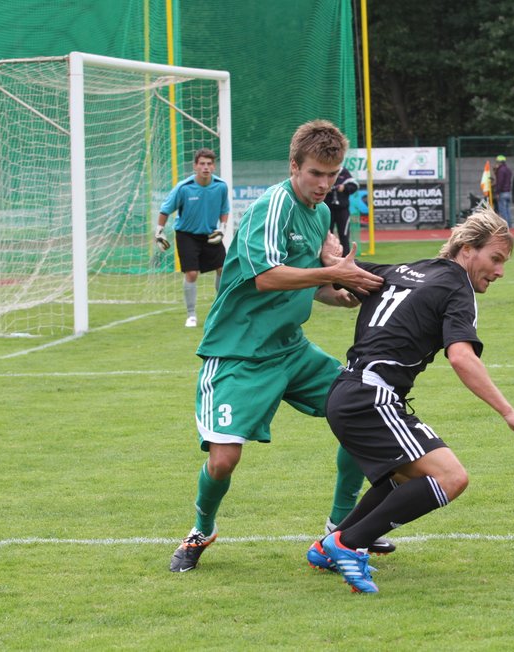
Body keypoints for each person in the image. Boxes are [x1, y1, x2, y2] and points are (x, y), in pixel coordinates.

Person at [167, 120, 389, 573]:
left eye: (332, 175)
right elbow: (266, 277)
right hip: (238, 353)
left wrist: (341, 295)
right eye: (315, 174)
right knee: (224, 460)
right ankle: (201, 528)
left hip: (292, 350)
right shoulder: (273, 206)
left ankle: (340, 526)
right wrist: (332, 274)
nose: (325, 185)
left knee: (359, 411)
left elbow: (309, 286)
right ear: (294, 166)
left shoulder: (322, 214)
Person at [306, 207, 514, 593]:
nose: (499, 271)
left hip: (346, 391)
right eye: (495, 259)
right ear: (467, 249)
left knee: (405, 476)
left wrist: (330, 256)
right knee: (450, 477)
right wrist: (510, 413)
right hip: (371, 395)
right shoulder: (456, 287)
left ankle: (326, 548)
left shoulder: (400, 269)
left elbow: (338, 274)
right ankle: (347, 543)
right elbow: (461, 356)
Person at [156, 148, 230, 328]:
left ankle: (221, 309)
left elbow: (224, 211)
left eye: (209, 164)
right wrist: (159, 232)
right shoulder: (184, 188)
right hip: (186, 235)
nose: (206, 167)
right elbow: (165, 209)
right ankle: (191, 315)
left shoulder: (220, 186)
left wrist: (222, 229)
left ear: (214, 166)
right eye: (202, 163)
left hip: (210, 234)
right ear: (195, 166)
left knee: (223, 268)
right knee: (191, 273)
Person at [324, 166, 359, 254]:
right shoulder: (324, 169)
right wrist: (325, 189)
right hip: (327, 210)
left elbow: (354, 186)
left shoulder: (343, 171)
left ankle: (346, 258)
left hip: (343, 210)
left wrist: (344, 188)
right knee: (327, 236)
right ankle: (327, 257)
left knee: (344, 235)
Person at [494, 155, 513, 226]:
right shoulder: (508, 170)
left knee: (503, 210)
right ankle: (510, 224)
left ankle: (506, 225)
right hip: (508, 192)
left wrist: (497, 192)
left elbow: (500, 182)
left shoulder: (500, 170)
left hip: (502, 192)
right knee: (508, 210)